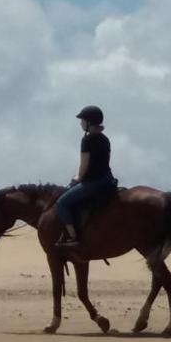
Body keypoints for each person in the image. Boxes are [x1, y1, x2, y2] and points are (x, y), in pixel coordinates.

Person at [55, 105, 117, 247]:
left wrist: (76, 179)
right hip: (107, 179)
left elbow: (83, 168)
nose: (80, 123)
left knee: (62, 203)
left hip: (93, 182)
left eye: (82, 120)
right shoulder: (104, 138)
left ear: (89, 121)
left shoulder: (87, 140)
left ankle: (73, 237)